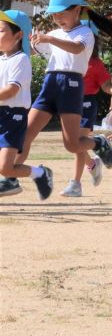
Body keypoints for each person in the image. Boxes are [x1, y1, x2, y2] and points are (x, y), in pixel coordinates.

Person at [0, 0, 112, 197]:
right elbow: (32, 51)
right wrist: (29, 42)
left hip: (70, 85)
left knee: (72, 144)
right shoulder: (53, 34)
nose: (58, 18)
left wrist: (50, 40)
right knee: (25, 133)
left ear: (78, 10)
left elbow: (76, 49)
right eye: (54, 14)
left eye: (62, 13)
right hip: (50, 82)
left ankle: (98, 142)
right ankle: (10, 178)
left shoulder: (85, 33)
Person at [0, 10, 53, 200]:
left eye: (1, 31)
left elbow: (10, 91)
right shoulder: (1, 60)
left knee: (6, 168)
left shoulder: (21, 60)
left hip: (12, 118)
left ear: (18, 35)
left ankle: (40, 173)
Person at [63, 52, 112, 196]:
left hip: (86, 102)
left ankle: (75, 184)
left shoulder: (95, 63)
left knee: (77, 142)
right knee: (72, 144)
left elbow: (106, 85)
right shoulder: (66, 57)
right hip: (68, 103)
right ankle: (92, 163)